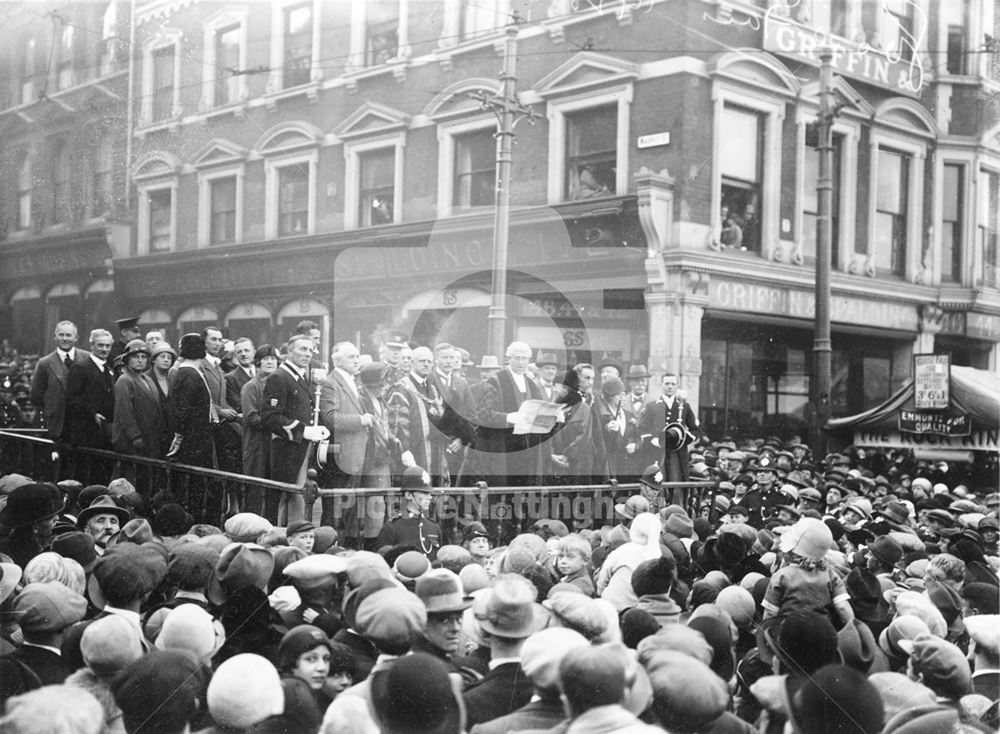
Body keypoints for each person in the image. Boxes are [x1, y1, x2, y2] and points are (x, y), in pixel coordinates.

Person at [262, 334, 329, 524]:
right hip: (287, 449)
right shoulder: (279, 377)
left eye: (310, 350)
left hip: (301, 448)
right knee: (287, 497)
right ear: (289, 351)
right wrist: (304, 431)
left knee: (298, 497)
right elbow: (269, 417)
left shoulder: (299, 376)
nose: (308, 354)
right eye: (303, 349)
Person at [387, 345, 470, 487]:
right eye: (422, 361)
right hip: (414, 452)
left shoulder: (432, 389)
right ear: (412, 363)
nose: (426, 364)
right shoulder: (401, 389)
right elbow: (397, 425)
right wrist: (404, 451)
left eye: (429, 361)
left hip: (436, 451)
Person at [474, 341, 549, 486]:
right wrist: (507, 417)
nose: (521, 362)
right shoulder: (495, 381)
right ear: (509, 359)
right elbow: (483, 414)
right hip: (503, 445)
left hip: (527, 446)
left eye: (524, 358)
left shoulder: (532, 384)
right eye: (517, 358)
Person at [318, 341, 372, 537]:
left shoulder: (352, 381)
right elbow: (330, 418)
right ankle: (328, 546)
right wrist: (361, 420)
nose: (356, 360)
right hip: (340, 456)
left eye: (358, 356)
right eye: (351, 356)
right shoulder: (330, 383)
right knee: (335, 511)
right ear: (336, 360)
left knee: (349, 511)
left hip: (355, 454)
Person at [29, 320, 90, 440]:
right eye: (61, 335)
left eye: (68, 335)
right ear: (55, 337)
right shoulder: (44, 363)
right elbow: (36, 395)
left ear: (76, 338)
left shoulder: (87, 358)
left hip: (83, 422)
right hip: (58, 424)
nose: (65, 338)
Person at [638, 372, 700, 483]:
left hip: (677, 453)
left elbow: (695, 430)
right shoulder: (652, 406)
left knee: (675, 483)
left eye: (673, 384)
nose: (670, 387)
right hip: (656, 452)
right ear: (661, 385)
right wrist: (653, 440)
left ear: (677, 386)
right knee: (657, 482)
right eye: (666, 383)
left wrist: (683, 439)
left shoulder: (684, 406)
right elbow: (642, 429)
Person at [112, 339, 165, 459]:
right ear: (127, 360)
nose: (140, 360)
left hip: (150, 437)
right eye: (135, 357)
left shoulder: (148, 380)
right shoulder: (124, 380)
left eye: (143, 357)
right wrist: (135, 436)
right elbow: (125, 412)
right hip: (131, 441)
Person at [167, 334, 215, 469]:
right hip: (194, 438)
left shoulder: (186, 371)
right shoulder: (190, 374)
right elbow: (184, 408)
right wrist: (179, 436)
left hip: (194, 436)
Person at [65, 329, 116, 451]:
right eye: (100, 345)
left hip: (105, 433)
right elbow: (72, 398)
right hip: (86, 432)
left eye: (108, 346)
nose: (104, 349)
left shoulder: (110, 370)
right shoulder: (80, 367)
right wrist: (92, 414)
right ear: (92, 345)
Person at [240, 344, 278, 504]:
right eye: (265, 359)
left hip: (274, 444)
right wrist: (276, 423)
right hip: (257, 445)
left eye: (273, 359)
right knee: (255, 489)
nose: (270, 362)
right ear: (258, 363)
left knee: (273, 489)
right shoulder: (251, 386)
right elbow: (251, 417)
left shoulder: (277, 385)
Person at [376, 466, 441, 559]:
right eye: (425, 493)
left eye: (430, 493)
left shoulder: (434, 527)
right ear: (408, 495)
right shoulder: (392, 528)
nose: (430, 497)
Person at [201, 326, 240, 473]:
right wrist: (220, 411)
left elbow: (222, 397)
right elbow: (201, 398)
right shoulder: (201, 365)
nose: (217, 343)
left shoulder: (217, 365)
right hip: (207, 424)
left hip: (221, 425)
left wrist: (229, 411)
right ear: (204, 342)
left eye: (219, 340)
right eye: (213, 339)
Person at [149, 341, 176, 452]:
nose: (166, 360)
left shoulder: (173, 378)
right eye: (162, 356)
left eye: (169, 358)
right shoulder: (146, 378)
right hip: (153, 430)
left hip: (170, 430)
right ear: (154, 359)